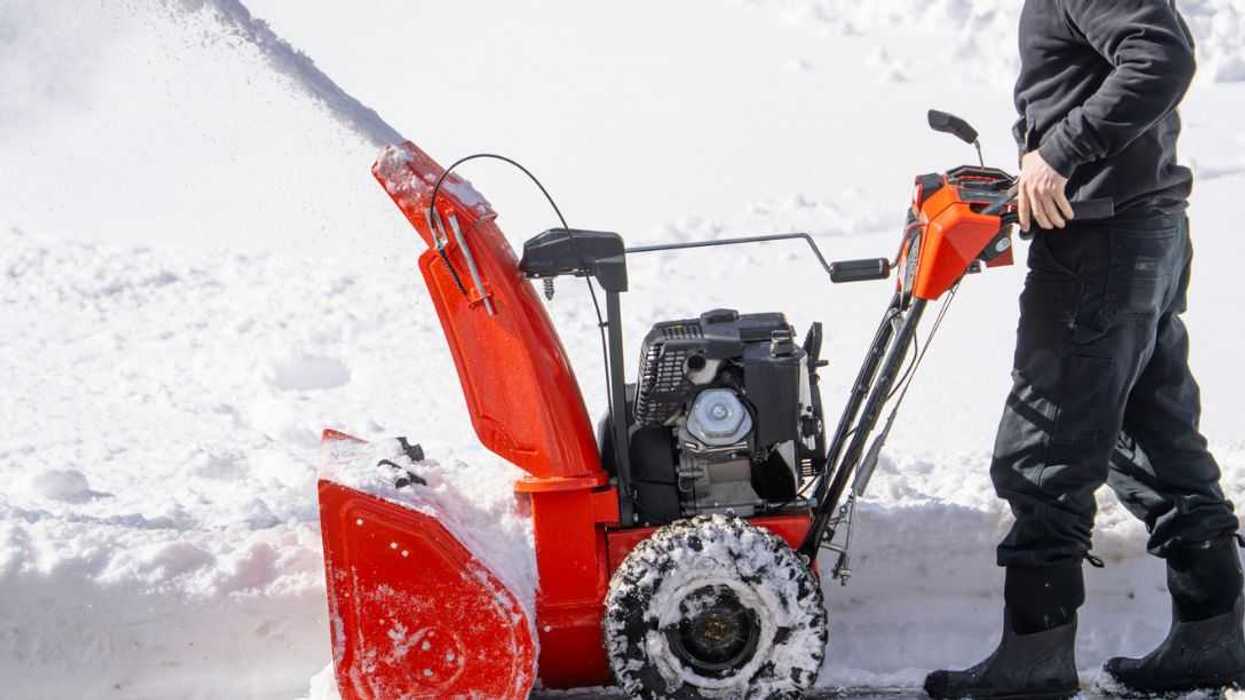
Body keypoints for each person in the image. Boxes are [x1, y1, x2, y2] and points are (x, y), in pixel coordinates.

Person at [924, 1, 1245, 697]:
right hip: (1138, 225)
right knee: (1153, 436)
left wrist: (1058, 154)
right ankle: (1211, 633)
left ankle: (1033, 657)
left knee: (1044, 447)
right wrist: (1036, 164)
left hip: (1101, 241)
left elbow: (1162, 56)